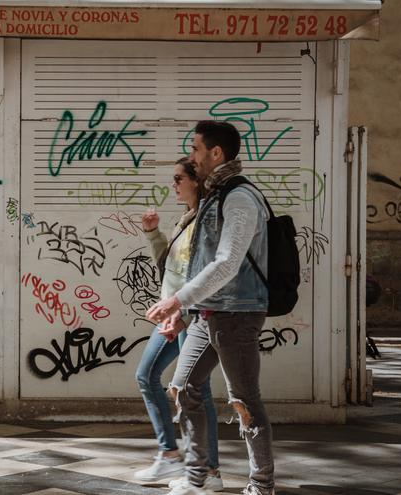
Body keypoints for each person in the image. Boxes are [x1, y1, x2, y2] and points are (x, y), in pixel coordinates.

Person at [147, 121, 275, 495]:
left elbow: (227, 262)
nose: (192, 156)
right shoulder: (215, 195)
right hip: (209, 311)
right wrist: (182, 311)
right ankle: (199, 476)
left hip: (238, 312)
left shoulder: (239, 197)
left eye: (196, 149)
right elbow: (198, 262)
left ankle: (262, 485)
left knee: (244, 399)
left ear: (216, 153)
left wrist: (176, 299)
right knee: (183, 389)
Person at [133, 158, 223, 491]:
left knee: (193, 391)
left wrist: (181, 317)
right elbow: (168, 268)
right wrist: (153, 233)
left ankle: (207, 471)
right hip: (175, 317)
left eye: (178, 179)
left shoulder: (205, 223)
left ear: (195, 182)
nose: (173, 184)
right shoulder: (185, 220)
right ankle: (173, 457)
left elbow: (201, 277)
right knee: (152, 377)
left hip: (189, 318)